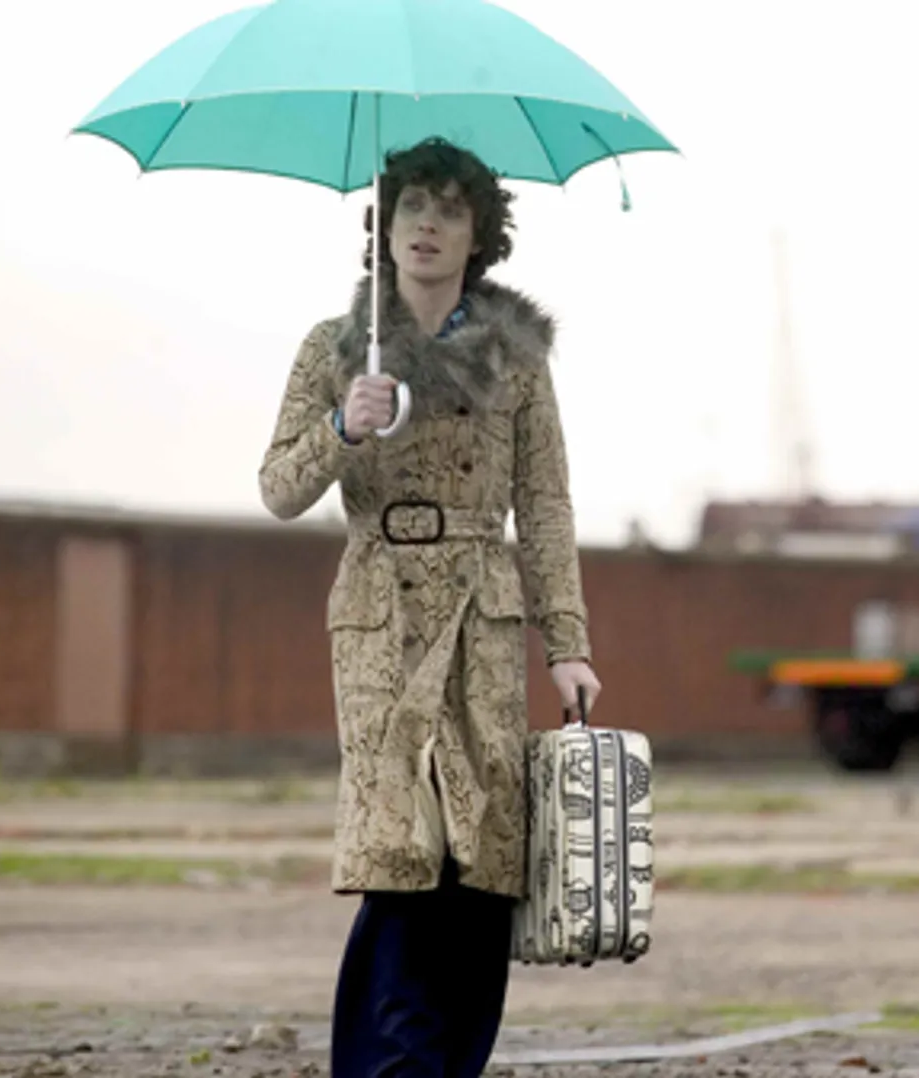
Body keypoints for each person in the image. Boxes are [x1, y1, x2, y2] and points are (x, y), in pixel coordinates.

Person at [256, 136, 602, 1078]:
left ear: (479, 235)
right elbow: (278, 489)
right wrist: (344, 426)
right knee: (401, 850)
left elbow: (545, 503)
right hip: (380, 614)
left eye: (451, 210)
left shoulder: (516, 362)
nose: (427, 226)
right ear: (385, 223)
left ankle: (443, 1061)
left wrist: (566, 643)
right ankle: (392, 1065)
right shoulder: (334, 351)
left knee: (483, 859)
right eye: (412, 205)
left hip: (482, 613)